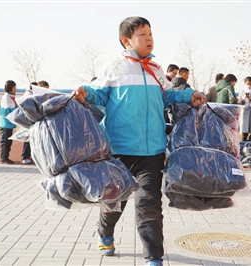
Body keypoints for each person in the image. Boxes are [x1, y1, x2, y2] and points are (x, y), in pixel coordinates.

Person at [73, 16, 205, 266]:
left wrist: (190, 96)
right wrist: (84, 93)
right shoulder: (113, 67)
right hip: (119, 152)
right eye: (142, 35)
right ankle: (105, 233)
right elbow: (97, 94)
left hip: (152, 151)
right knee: (114, 203)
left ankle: (154, 256)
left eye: (151, 34)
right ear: (126, 41)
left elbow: (169, 94)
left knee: (149, 205)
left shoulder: (156, 69)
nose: (149, 39)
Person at [0, 80, 18, 164]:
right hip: (5, 123)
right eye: (14, 87)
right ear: (11, 88)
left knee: (8, 141)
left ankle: (6, 157)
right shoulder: (6, 97)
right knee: (5, 141)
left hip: (9, 123)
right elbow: (7, 111)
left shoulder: (11, 97)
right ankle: (3, 158)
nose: (15, 89)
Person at [20, 81, 37, 164]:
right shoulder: (29, 96)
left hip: (30, 121)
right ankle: (25, 156)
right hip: (28, 121)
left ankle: (28, 155)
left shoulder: (29, 94)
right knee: (28, 138)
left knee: (31, 139)